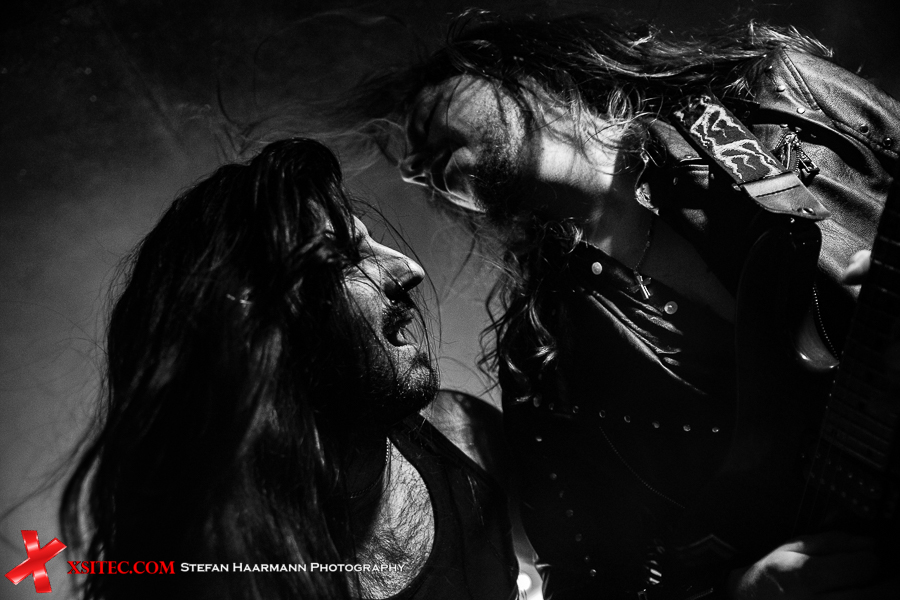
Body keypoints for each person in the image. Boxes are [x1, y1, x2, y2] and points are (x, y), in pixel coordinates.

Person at [350, 9, 900, 600]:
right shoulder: (542, 359)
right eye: (411, 168)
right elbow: (592, 578)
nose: (414, 164)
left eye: (427, 110)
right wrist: (741, 591)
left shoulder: (786, 95)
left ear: (514, 71)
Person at [60, 138, 519, 600]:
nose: (408, 268)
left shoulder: (470, 438)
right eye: (345, 256)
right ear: (255, 320)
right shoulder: (209, 571)